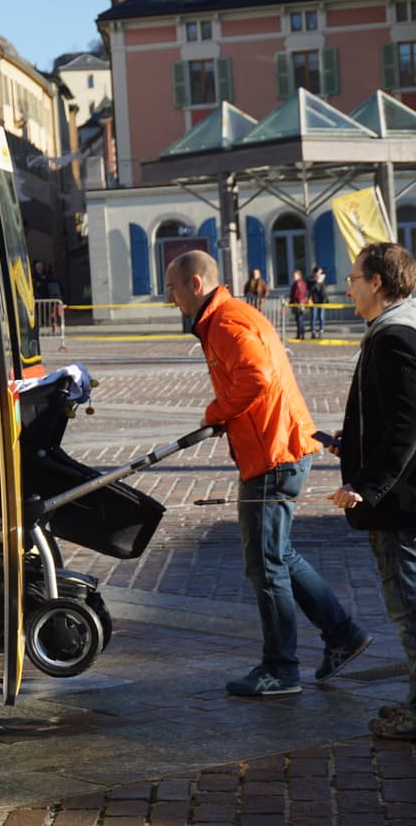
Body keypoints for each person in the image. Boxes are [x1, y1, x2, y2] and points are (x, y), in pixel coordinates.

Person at [165, 250, 370, 697]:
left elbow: (256, 377)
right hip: (278, 447)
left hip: (274, 454)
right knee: (279, 556)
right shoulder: (230, 315)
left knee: (266, 563)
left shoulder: (224, 321)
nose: (170, 298)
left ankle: (281, 668)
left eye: (173, 288)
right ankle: (343, 634)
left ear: (195, 285)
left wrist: (215, 412)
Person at [327, 242, 416, 741]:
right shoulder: (410, 329)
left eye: (354, 277)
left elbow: (409, 426)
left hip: (405, 504)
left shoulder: (395, 338)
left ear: (377, 282)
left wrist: (366, 486)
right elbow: (397, 420)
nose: (349, 286)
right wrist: (352, 446)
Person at [289, 268, 309, 341]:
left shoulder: (298, 283)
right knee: (299, 319)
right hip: (300, 302)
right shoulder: (301, 283)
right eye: (293, 275)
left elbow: (297, 294)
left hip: (298, 302)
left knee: (299, 319)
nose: (293, 277)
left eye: (295, 275)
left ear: (299, 275)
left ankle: (301, 333)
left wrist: (292, 301)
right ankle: (300, 334)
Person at [309, 265, 329, 338]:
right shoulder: (310, 280)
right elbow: (310, 290)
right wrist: (317, 282)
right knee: (313, 316)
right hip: (314, 300)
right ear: (315, 272)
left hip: (321, 300)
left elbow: (324, 290)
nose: (320, 274)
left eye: (321, 272)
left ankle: (321, 331)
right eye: (319, 272)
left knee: (321, 317)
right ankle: (313, 331)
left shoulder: (322, 279)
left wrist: (326, 299)